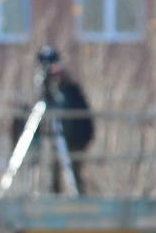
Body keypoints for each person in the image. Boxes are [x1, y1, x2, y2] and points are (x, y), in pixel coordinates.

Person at [11, 45, 94, 195]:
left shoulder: (70, 91)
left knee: (69, 168)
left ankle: (74, 194)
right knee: (48, 165)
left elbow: (81, 120)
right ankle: (42, 191)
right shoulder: (38, 96)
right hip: (55, 141)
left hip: (72, 142)